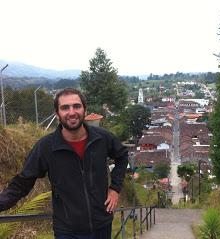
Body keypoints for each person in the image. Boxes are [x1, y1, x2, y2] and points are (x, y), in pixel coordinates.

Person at [0, 88, 128, 239]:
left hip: (102, 225)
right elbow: (22, 183)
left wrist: (115, 188)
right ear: (57, 114)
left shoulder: (102, 138)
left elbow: (122, 156)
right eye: (65, 107)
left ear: (84, 110)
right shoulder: (46, 147)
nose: (72, 112)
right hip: (67, 231)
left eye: (77, 106)